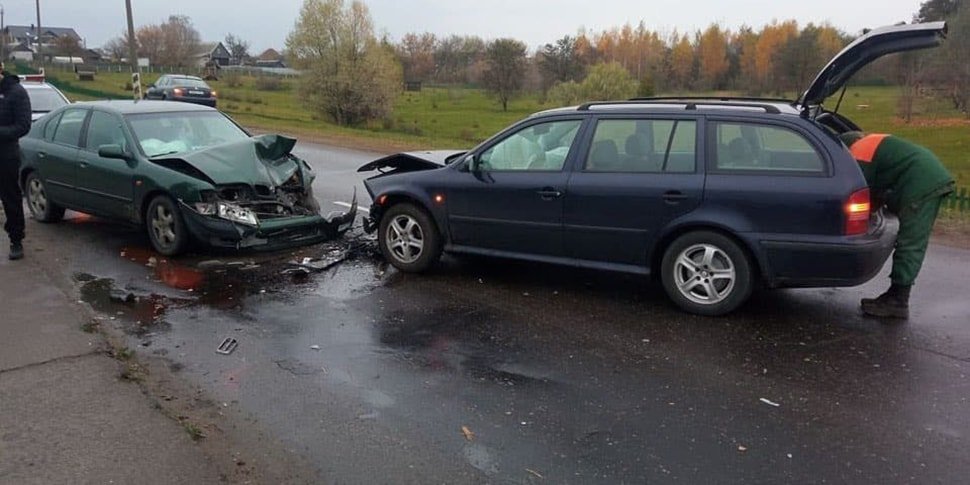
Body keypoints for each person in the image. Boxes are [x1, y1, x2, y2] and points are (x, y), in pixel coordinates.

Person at [840, 132, 955, 319]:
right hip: (924, 174)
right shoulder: (869, 143)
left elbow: (856, 188)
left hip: (922, 183)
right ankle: (894, 296)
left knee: (910, 242)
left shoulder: (858, 153)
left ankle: (898, 300)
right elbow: (873, 193)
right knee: (910, 241)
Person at [0, 62, 31, 260]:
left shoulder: (16, 92)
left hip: (6, 156)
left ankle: (16, 239)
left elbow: (23, 125)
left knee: (10, 198)